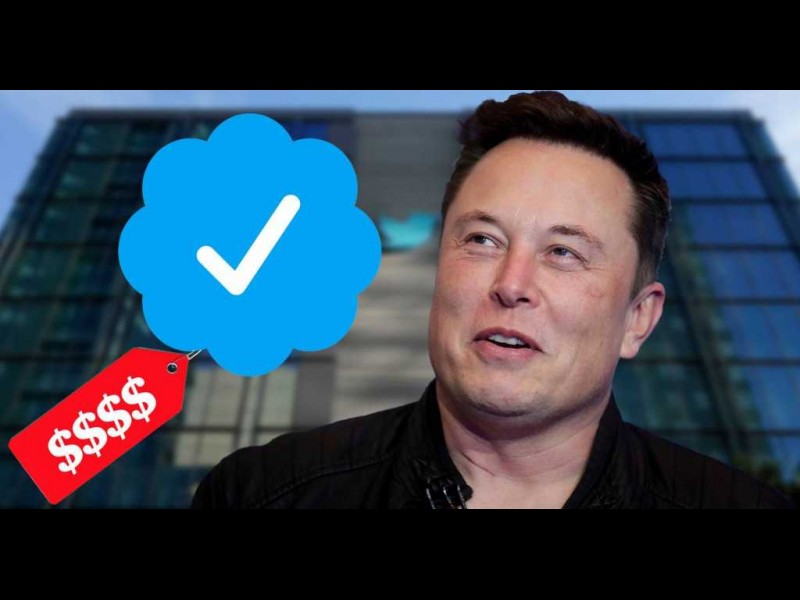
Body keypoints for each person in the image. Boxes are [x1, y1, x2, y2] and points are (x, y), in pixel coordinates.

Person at [192, 91, 797, 509]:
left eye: (563, 252)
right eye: (482, 240)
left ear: (638, 320)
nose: (511, 283)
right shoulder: (261, 494)